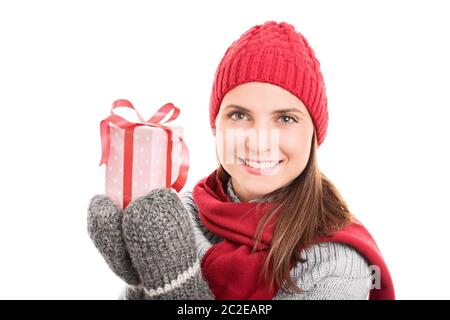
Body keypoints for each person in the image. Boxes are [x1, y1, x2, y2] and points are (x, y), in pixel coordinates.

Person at [87, 20, 395, 300]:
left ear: (314, 136)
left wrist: (175, 283)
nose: (259, 141)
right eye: (239, 115)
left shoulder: (337, 263)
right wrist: (139, 283)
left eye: (285, 118)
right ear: (215, 125)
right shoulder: (179, 216)